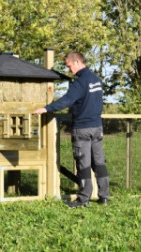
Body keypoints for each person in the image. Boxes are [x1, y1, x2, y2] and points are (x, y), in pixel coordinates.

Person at [33, 51, 109, 207]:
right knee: (99, 163)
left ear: (77, 62)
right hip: (97, 127)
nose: (69, 70)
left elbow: (67, 100)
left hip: (82, 128)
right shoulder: (96, 80)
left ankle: (83, 199)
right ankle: (104, 197)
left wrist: (46, 109)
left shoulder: (80, 83)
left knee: (84, 164)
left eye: (69, 66)